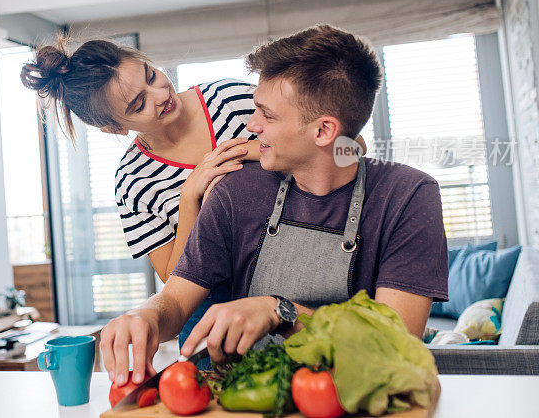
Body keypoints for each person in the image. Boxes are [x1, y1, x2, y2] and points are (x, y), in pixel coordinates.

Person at [99, 24, 449, 388]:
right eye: (255, 110)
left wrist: (279, 311)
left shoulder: (409, 195)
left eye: (267, 114)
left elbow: (398, 344)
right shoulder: (233, 192)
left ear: (323, 131)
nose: (250, 126)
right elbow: (174, 299)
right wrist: (143, 316)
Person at [20, 37, 261, 365]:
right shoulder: (133, 181)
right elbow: (176, 282)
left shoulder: (229, 100)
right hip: (210, 321)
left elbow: (329, 146)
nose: (162, 95)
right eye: (138, 105)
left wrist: (246, 150)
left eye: (151, 76)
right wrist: (191, 195)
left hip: (283, 286)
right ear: (115, 128)